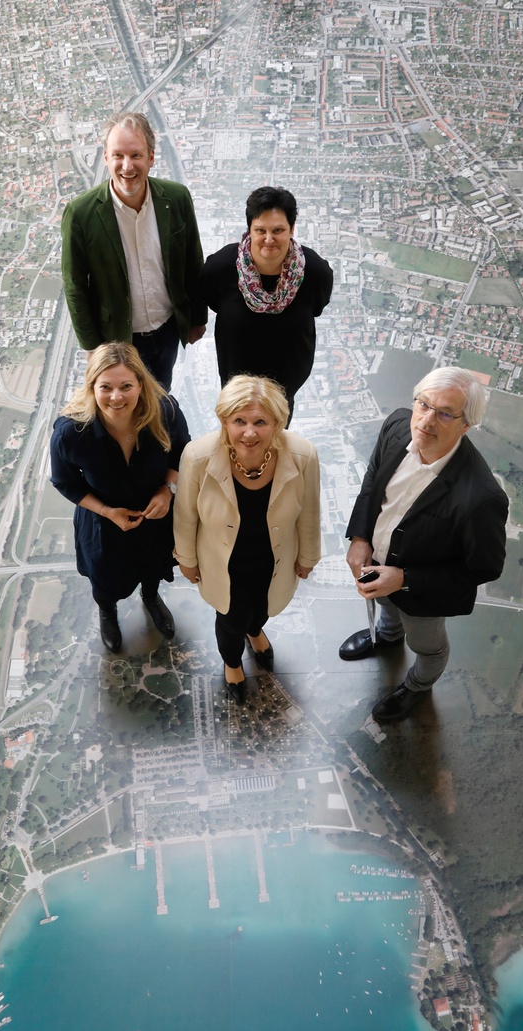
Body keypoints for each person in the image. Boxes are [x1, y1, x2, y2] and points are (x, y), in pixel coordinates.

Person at [339, 366, 509, 723]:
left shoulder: (481, 498)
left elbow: (484, 568)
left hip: (424, 595)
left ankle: (418, 686)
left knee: (426, 647)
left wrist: (403, 578)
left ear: (467, 425)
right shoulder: (398, 425)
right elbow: (372, 479)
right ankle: (387, 637)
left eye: (445, 413)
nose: (427, 420)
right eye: (424, 404)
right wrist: (360, 537)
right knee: (386, 605)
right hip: (377, 564)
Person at [173, 375, 321, 705]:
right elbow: (185, 515)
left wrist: (308, 556)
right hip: (222, 562)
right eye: (239, 421)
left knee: (263, 608)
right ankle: (232, 664)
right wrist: (186, 559)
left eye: (261, 422)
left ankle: (255, 631)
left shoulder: (303, 455)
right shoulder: (197, 456)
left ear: (278, 423)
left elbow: (310, 511)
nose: (250, 433)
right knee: (230, 619)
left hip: (274, 557)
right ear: (224, 421)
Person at [50, 342, 190, 653]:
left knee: (154, 564)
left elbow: (182, 451)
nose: (116, 397)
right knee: (105, 577)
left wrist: (168, 490)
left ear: (140, 384)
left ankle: (151, 597)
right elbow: (65, 482)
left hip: (157, 515)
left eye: (126, 386)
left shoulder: (165, 411)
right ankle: (107, 611)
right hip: (103, 523)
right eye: (106, 387)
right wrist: (106, 511)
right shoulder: (71, 432)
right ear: (92, 387)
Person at [60, 111, 207, 390]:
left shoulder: (177, 198)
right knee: (122, 406)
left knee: (160, 396)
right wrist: (92, 346)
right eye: (118, 155)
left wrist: (197, 319)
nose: (127, 166)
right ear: (106, 157)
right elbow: (74, 284)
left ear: (151, 157)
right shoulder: (81, 214)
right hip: (116, 340)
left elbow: (193, 261)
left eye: (136, 155)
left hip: (167, 330)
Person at [199, 186, 333, 422]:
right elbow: (209, 299)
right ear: (249, 230)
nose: (269, 240)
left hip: (283, 395)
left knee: (276, 444)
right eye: (260, 230)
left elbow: (317, 307)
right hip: (235, 392)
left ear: (292, 228)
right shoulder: (221, 267)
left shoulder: (315, 272)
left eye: (278, 230)